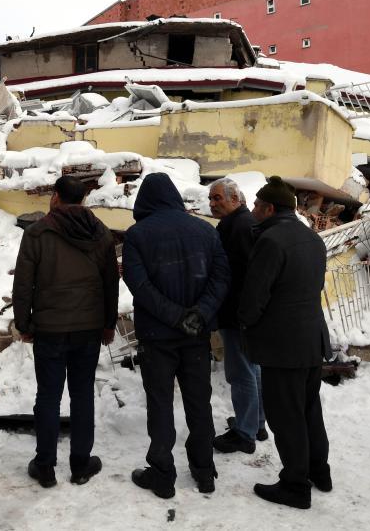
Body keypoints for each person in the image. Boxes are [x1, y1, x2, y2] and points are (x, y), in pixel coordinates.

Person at [122, 173, 229, 499]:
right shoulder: (205, 230)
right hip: (196, 335)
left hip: (157, 337)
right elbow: (222, 278)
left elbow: (140, 286)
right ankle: (204, 471)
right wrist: (199, 315)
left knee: (160, 404)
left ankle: (162, 475)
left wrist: (175, 317)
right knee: (199, 403)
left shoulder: (137, 235)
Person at [12, 176, 119, 488]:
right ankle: (81, 465)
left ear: (56, 197)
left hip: (50, 329)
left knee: (48, 396)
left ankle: (45, 466)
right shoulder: (100, 232)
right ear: (83, 199)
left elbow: (23, 283)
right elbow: (110, 281)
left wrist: (24, 324)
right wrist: (108, 323)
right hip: (88, 329)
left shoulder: (37, 232)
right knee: (82, 395)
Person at [238, 176, 331, 510]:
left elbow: (256, 295)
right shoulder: (313, 238)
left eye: (256, 205)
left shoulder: (271, 241)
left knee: (286, 416)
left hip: (283, 345)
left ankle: (295, 485)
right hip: (312, 339)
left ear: (269, 209)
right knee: (309, 410)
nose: (252, 210)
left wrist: (244, 321)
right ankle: (319, 472)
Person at [207, 179, 266, 455]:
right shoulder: (241, 223)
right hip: (245, 313)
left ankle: (244, 432)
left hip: (237, 313)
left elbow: (242, 275)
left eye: (218, 198)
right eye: (211, 198)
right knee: (252, 367)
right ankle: (256, 422)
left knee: (240, 371)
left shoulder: (238, 227)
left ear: (235, 199)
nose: (212, 203)